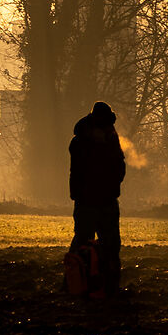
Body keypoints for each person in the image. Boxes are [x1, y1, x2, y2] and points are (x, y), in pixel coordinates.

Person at [69, 100, 126, 294]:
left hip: (93, 199)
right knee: (105, 243)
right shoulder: (95, 140)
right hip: (96, 199)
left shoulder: (86, 139)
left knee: (87, 241)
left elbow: (118, 166)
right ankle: (102, 284)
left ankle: (79, 282)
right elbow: (117, 166)